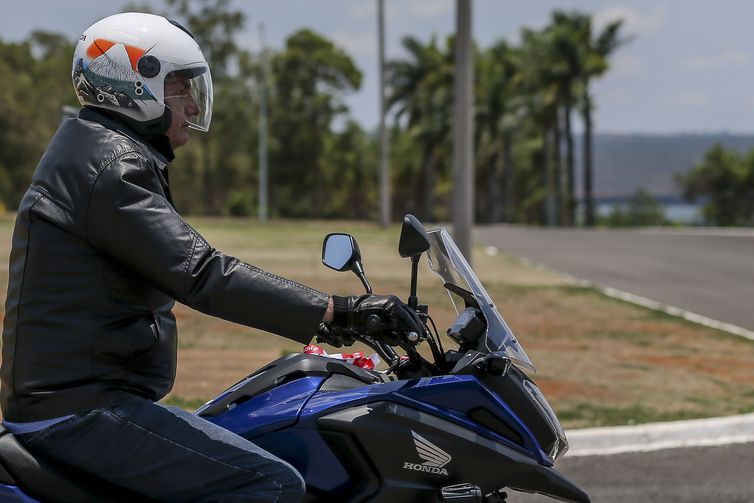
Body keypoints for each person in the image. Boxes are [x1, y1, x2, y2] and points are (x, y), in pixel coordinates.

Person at [0, 12, 421, 502]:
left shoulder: (95, 150)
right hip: (80, 411)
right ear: (136, 87)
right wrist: (337, 313)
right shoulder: (110, 169)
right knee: (272, 483)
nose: (191, 102)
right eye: (179, 87)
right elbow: (203, 275)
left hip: (77, 400)